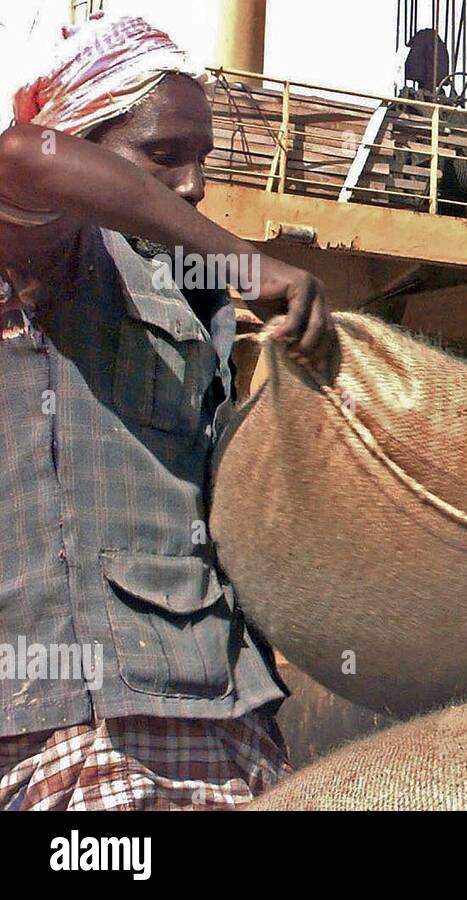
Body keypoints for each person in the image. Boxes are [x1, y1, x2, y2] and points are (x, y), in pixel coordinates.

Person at [0, 14, 333, 810]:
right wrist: (245, 259)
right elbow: (18, 155)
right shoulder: (54, 255)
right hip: (78, 726)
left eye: (201, 160)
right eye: (160, 157)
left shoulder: (189, 293)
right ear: (79, 139)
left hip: (225, 714)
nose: (191, 184)